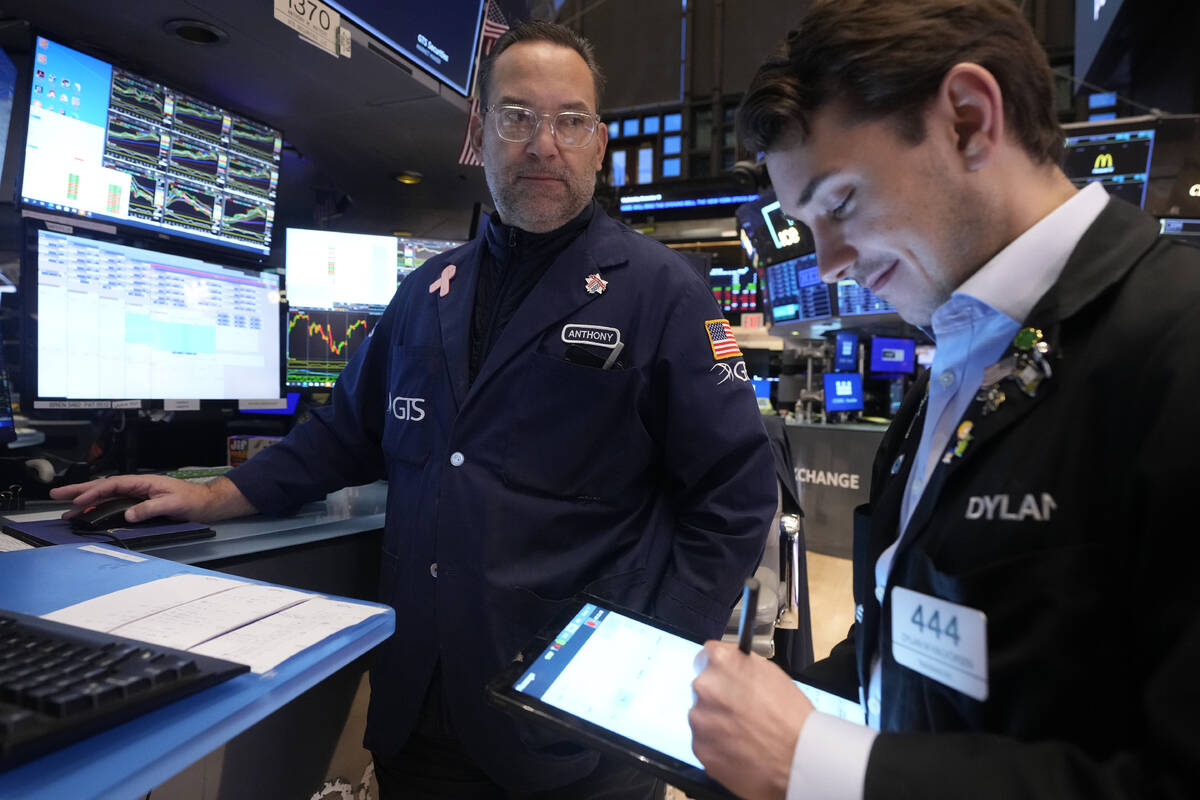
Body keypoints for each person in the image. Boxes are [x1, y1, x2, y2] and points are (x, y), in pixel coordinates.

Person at [53, 20, 776, 800]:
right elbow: (340, 437)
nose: (543, 144)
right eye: (517, 116)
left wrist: (648, 658)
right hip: (418, 710)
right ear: (480, 132)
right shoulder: (426, 290)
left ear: (598, 143)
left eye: (570, 121)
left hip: (567, 730)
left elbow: (735, 497)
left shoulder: (662, 293)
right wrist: (211, 497)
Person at [688, 1, 1200, 798]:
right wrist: (785, 716)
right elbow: (923, 639)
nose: (824, 265)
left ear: (969, 119)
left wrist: (820, 765)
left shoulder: (1176, 346)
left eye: (840, 203)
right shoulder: (962, 350)